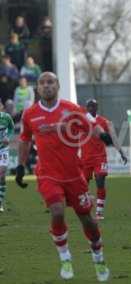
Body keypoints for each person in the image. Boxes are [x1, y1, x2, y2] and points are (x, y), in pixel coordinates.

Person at [16, 72, 111, 281]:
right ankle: (65, 257)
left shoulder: (71, 109)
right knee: (57, 211)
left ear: (57, 86)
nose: (46, 86)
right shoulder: (30, 114)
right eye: (42, 83)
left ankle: (98, 256)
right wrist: (21, 166)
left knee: (87, 220)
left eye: (50, 82)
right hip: (48, 174)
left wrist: (103, 135)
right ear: (37, 88)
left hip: (74, 175)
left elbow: (90, 126)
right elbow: (24, 140)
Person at [81, 99, 127, 220]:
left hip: (99, 157)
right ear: (86, 108)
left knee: (100, 180)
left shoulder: (105, 122)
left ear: (97, 108)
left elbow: (114, 138)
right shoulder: (81, 121)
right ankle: (87, 206)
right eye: (89, 106)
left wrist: (121, 152)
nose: (91, 108)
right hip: (85, 158)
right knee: (82, 186)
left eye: (93, 106)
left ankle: (99, 211)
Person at [0, 102, 15, 212]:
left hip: (3, 149)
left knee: (2, 174)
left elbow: (11, 128)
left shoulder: (6, 117)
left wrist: (8, 137)